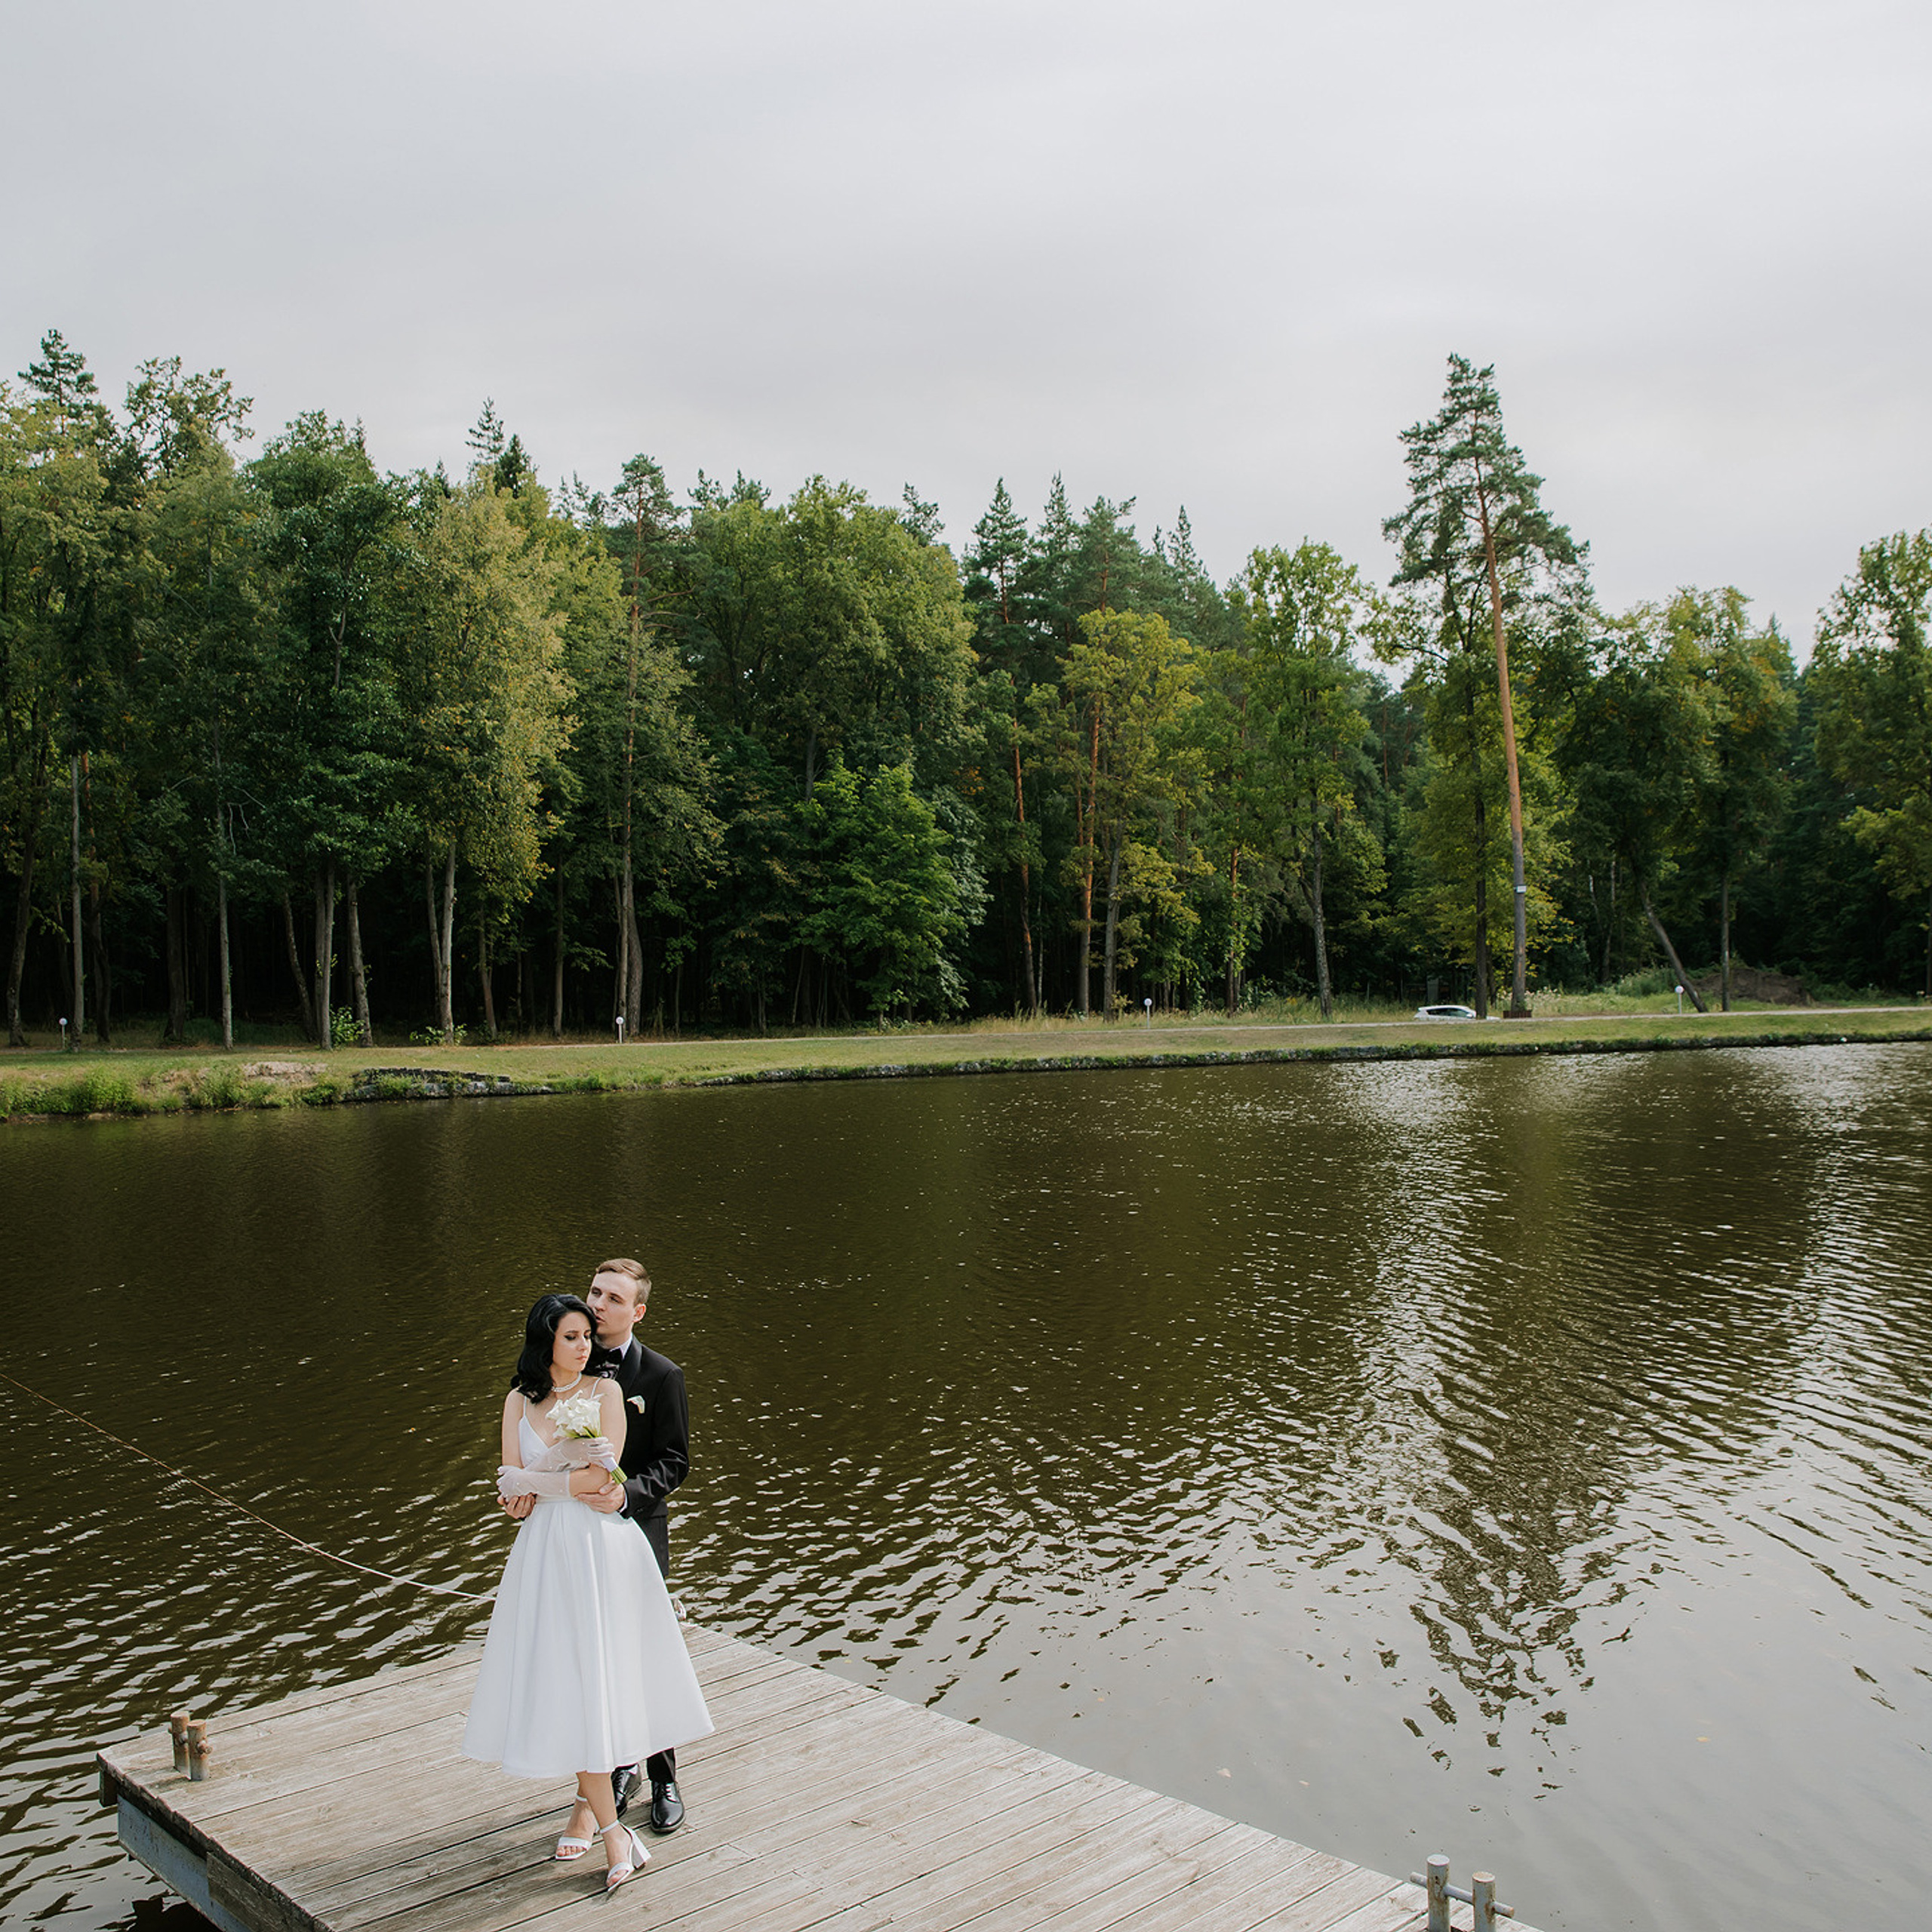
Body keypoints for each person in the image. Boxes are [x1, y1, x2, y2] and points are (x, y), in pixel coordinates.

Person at [462, 1293, 712, 1893]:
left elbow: (604, 1476)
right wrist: (520, 1495)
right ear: (545, 1342)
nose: (584, 1346)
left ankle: (613, 1821)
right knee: (566, 1681)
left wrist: (531, 1481)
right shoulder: (517, 1401)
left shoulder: (604, 1394)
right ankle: (610, 1826)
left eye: (586, 1335)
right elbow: (509, 1488)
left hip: (601, 1550)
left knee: (602, 1675)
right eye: (571, 1337)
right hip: (545, 1555)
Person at [583, 1257, 691, 1835]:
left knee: (649, 1654)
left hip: (638, 1527)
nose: (599, 1305)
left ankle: (664, 1773)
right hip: (579, 1532)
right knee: (602, 1654)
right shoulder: (567, 1364)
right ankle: (618, 1767)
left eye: (613, 1299)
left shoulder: (660, 1376)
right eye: (595, 1293)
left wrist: (626, 1495)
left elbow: (676, 1462)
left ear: (637, 1311)